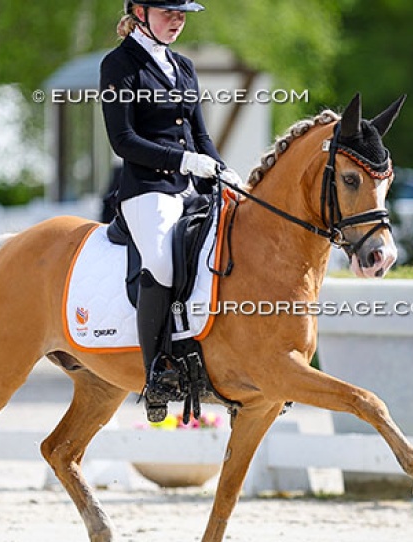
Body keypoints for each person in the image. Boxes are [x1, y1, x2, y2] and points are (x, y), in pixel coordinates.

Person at [100, 0, 242, 422]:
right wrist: (182, 162)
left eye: (182, 14)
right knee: (161, 262)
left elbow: (200, 134)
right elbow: (122, 140)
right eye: (169, 12)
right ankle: (157, 370)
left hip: (193, 187)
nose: (177, 20)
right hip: (147, 190)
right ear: (140, 12)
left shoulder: (182, 66)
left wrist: (222, 170)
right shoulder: (120, 65)